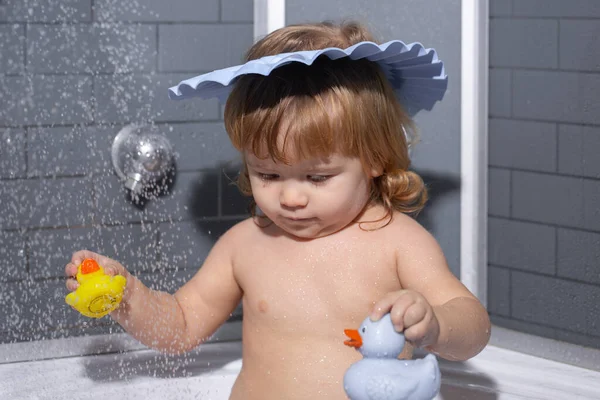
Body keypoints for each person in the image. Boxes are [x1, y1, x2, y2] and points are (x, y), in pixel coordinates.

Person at [66, 20, 490, 400]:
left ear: (375, 158)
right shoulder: (244, 245)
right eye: (267, 175)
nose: (290, 198)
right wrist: (125, 298)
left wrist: (435, 324)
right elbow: (179, 326)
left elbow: (474, 326)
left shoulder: (398, 242)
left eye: (318, 178)